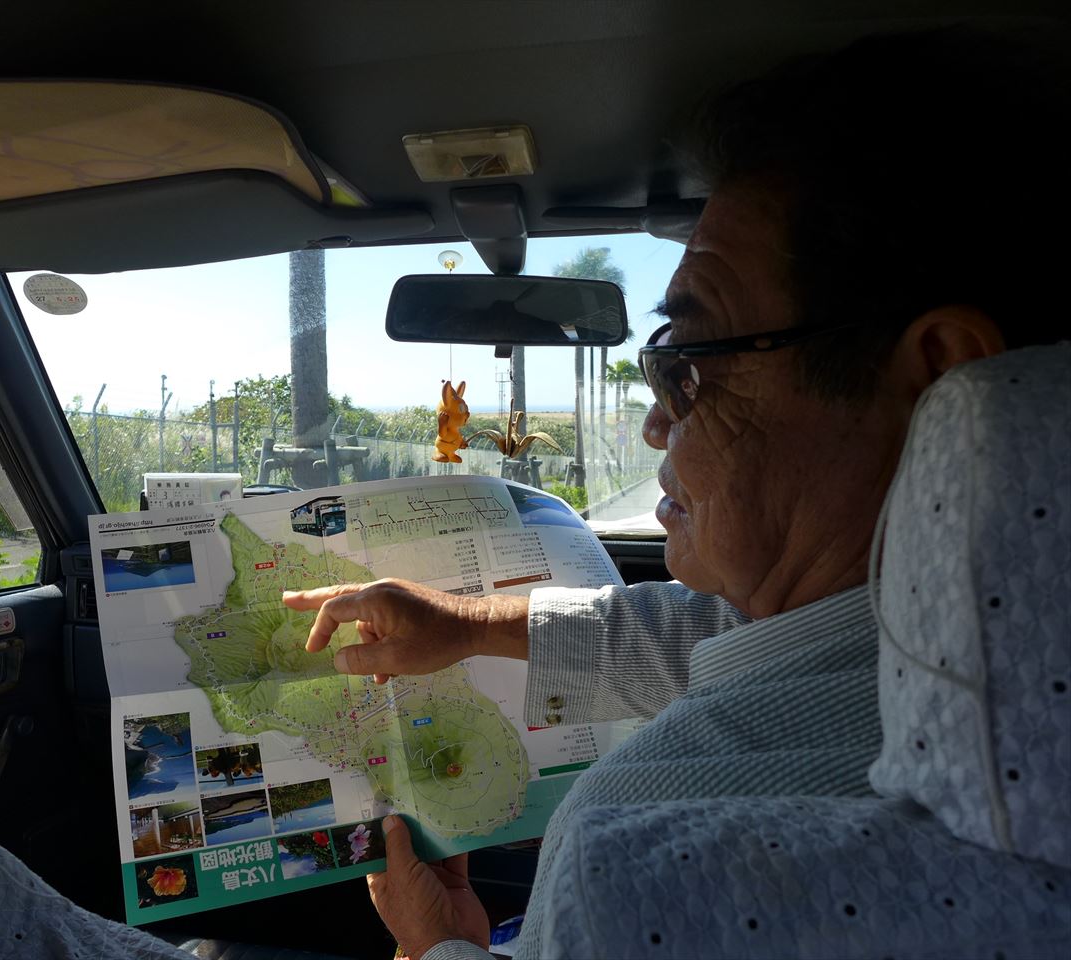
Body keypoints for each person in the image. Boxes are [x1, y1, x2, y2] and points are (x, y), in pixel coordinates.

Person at [282, 27, 1067, 960]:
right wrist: (464, 621)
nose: (658, 423)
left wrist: (438, 946)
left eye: (691, 362)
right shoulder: (953, 643)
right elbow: (707, 637)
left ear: (937, 379)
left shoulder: (644, 862)